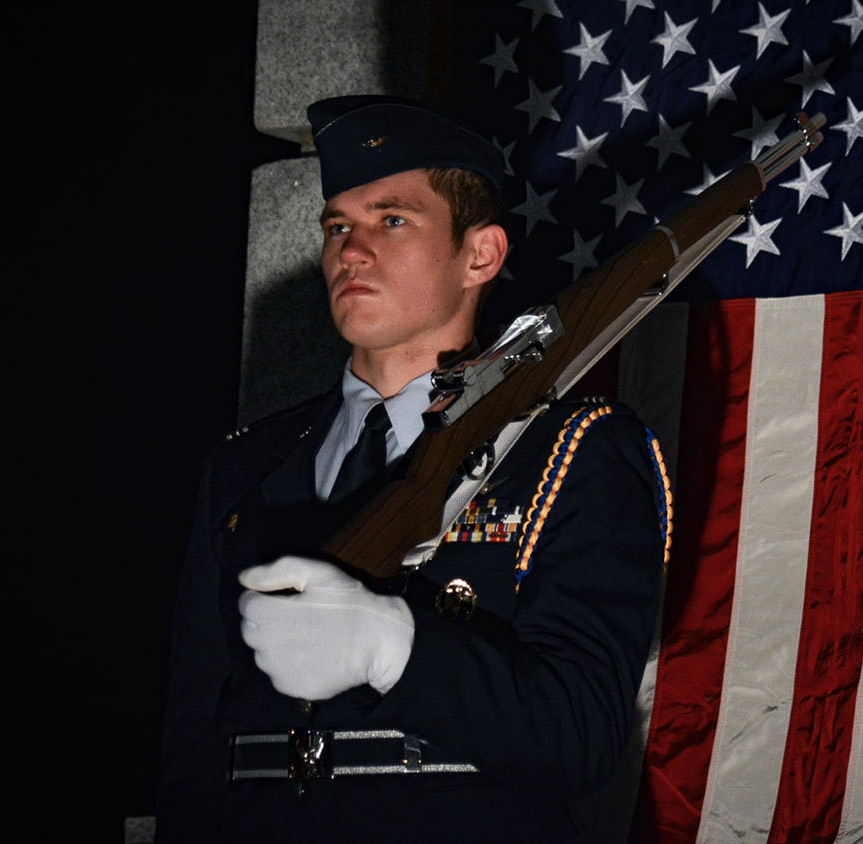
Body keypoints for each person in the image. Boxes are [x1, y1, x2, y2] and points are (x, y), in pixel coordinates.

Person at [158, 95, 672, 843]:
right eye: (338, 226)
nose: (350, 251)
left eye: (390, 220)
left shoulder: (572, 448)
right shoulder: (245, 465)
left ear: (480, 255)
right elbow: (196, 744)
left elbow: (581, 736)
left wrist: (397, 647)